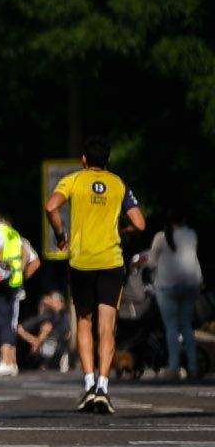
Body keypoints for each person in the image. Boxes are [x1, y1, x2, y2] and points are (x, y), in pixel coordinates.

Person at [45, 137, 147, 414]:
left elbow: (51, 207)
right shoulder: (118, 183)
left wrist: (60, 235)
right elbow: (139, 223)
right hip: (111, 261)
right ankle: (103, 386)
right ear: (108, 160)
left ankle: (89, 384)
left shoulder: (73, 181)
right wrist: (121, 231)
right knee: (107, 325)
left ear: (84, 160)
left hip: (82, 261)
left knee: (84, 321)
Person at [0, 209, 37, 378]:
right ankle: (10, 361)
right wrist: (20, 272)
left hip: (0, 281)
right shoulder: (14, 234)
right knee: (10, 321)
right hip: (14, 281)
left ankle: (6, 361)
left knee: (2, 321)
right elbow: (29, 256)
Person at [149, 223, 201, 380]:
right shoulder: (191, 234)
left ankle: (174, 367)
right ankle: (193, 366)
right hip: (191, 284)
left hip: (167, 286)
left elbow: (151, 263)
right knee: (186, 325)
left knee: (171, 326)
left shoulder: (161, 237)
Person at [16, 290, 72, 370]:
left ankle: (56, 361)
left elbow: (67, 334)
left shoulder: (64, 316)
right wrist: (34, 340)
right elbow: (20, 328)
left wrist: (40, 339)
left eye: (56, 300)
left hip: (57, 347)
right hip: (43, 350)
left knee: (47, 330)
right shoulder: (47, 315)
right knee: (45, 328)